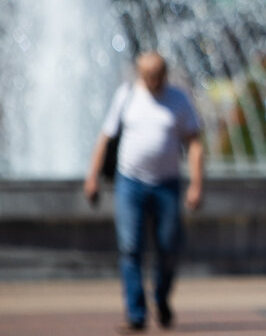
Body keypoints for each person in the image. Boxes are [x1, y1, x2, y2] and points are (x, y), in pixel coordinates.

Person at [83, 51, 204, 334]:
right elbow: (105, 137)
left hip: (167, 184)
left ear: (165, 73)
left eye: (158, 74)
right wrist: (92, 177)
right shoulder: (126, 96)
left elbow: (195, 144)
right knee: (130, 248)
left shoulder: (178, 99)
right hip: (130, 183)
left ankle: (161, 297)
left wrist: (196, 184)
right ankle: (136, 313)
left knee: (168, 247)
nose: (153, 80)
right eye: (148, 75)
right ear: (139, 73)